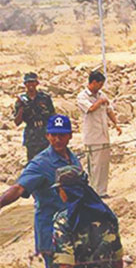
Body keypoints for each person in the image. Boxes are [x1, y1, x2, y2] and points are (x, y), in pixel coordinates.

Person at [0, 114, 81, 268]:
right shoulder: (40, 163)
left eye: (62, 135)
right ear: (47, 136)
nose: (58, 139)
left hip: (73, 228)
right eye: (54, 135)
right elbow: (18, 188)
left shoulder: (72, 158)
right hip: (51, 232)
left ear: (70, 135)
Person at [51, 165, 123, 268]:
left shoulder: (63, 221)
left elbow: (66, 264)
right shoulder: (106, 214)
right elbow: (118, 260)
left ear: (66, 190)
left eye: (59, 190)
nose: (59, 194)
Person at [76, 71, 121, 198]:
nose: (101, 87)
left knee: (103, 165)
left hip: (104, 135)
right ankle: (94, 192)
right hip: (92, 137)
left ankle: (102, 191)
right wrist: (100, 102)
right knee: (94, 166)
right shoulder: (82, 96)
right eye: (99, 84)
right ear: (93, 82)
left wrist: (116, 124)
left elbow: (109, 110)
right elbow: (90, 109)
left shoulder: (102, 95)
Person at [14, 72, 56, 161]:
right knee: (33, 162)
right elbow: (17, 122)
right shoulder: (21, 100)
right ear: (25, 84)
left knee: (48, 160)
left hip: (45, 132)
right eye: (28, 82)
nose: (31, 85)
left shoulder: (44, 97)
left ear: (37, 83)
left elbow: (52, 116)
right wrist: (21, 107)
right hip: (31, 134)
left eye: (33, 82)